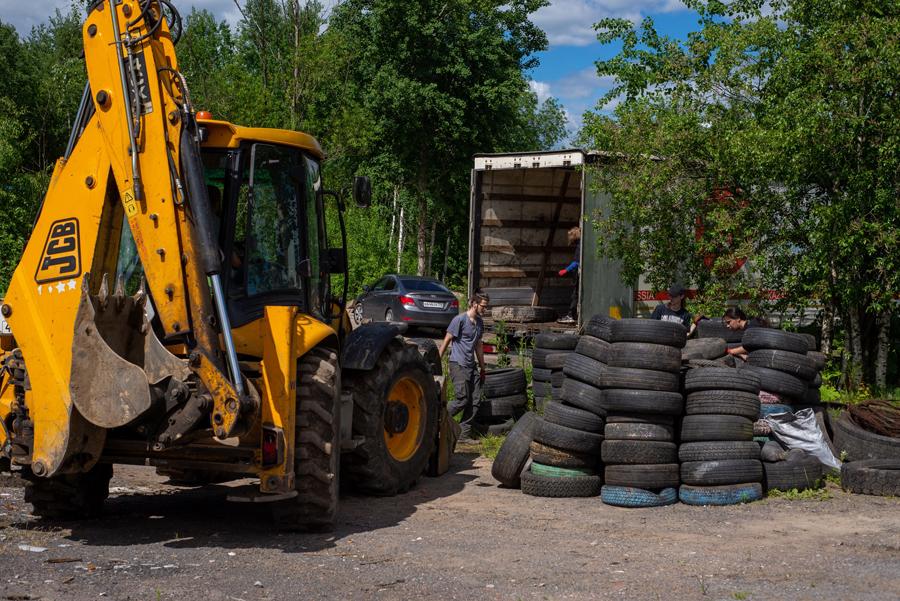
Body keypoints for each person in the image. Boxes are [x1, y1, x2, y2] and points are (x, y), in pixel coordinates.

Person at [438, 291, 490, 442]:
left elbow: (478, 346)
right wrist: (437, 360)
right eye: (483, 306)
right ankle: (436, 419)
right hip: (458, 364)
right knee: (462, 399)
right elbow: (447, 340)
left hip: (471, 366)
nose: (485, 309)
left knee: (475, 400)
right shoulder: (459, 320)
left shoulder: (479, 323)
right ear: (474, 304)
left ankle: (463, 435)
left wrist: (482, 367)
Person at [557, 226, 581, 324]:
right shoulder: (581, 244)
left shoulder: (580, 247)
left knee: (575, 295)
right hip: (579, 275)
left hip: (579, 276)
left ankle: (571, 315)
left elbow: (576, 263)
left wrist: (566, 270)